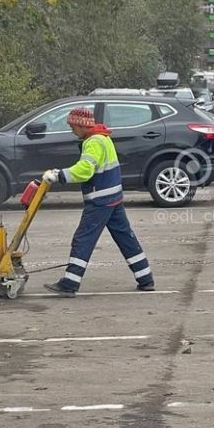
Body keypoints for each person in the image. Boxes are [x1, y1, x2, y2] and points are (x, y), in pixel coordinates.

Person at [42, 107, 155, 297]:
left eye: (73, 126)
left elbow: (85, 169)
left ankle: (70, 283)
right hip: (113, 197)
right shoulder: (103, 137)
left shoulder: (93, 142)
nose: (72, 130)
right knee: (125, 237)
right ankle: (146, 278)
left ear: (82, 125)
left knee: (83, 239)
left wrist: (59, 175)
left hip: (100, 199)